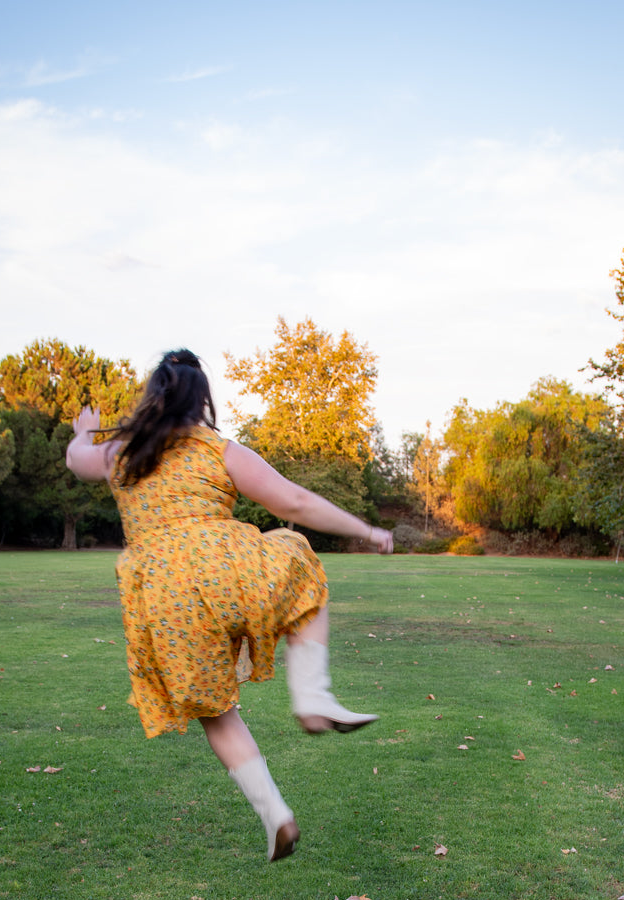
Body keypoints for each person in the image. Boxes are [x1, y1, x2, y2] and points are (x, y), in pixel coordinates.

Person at [66, 349, 393, 862]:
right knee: (300, 569)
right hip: (224, 571)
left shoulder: (120, 454)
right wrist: (367, 531)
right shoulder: (219, 450)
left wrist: (86, 431)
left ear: (153, 397)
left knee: (217, 713)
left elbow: (75, 460)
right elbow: (295, 502)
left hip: (163, 598)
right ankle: (312, 695)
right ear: (202, 401)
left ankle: (275, 814)